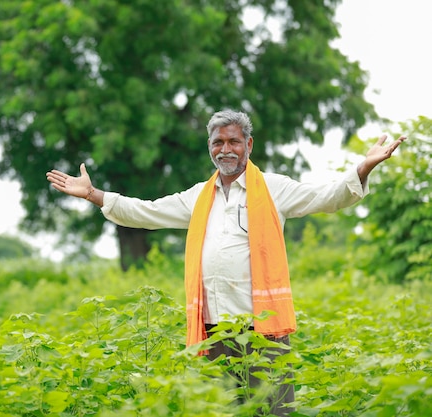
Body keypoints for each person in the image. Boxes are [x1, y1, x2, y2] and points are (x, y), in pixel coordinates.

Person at [45, 109, 406, 415]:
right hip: (213, 329)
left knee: (272, 408)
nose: (226, 149)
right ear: (210, 148)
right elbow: (146, 211)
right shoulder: (199, 196)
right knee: (221, 410)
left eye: (233, 141)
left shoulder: (274, 188)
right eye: (218, 142)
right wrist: (93, 194)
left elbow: (329, 196)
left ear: (248, 145)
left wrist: (364, 167)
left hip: (263, 329)